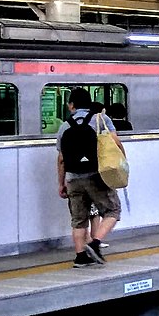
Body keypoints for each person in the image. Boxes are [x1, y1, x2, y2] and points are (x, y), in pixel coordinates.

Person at [56, 87, 125, 268]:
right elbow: (115, 143)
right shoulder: (101, 119)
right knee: (113, 210)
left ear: (72, 105)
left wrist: (61, 183)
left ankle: (80, 257)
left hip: (73, 179)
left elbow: (61, 159)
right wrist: (122, 165)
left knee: (79, 219)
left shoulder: (64, 126)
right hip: (96, 176)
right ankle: (95, 243)